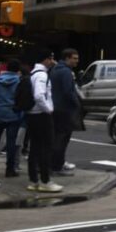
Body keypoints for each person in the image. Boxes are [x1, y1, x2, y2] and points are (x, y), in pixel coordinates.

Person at [27, 52, 61, 193]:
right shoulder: (42, 75)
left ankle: (34, 180)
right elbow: (39, 95)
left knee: (34, 148)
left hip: (32, 115)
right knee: (46, 148)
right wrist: (48, 110)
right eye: (51, 58)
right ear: (46, 59)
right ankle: (45, 181)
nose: (52, 61)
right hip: (41, 115)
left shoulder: (33, 74)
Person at [0, 58, 24, 178]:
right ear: (18, 70)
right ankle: (10, 169)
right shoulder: (19, 82)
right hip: (14, 115)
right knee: (11, 143)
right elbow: (22, 99)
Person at [50, 48, 81, 176]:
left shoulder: (54, 70)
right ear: (67, 58)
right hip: (65, 110)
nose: (77, 61)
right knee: (62, 140)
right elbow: (69, 92)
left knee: (56, 138)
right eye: (74, 58)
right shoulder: (66, 72)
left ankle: (55, 164)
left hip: (55, 108)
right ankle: (57, 166)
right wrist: (77, 104)